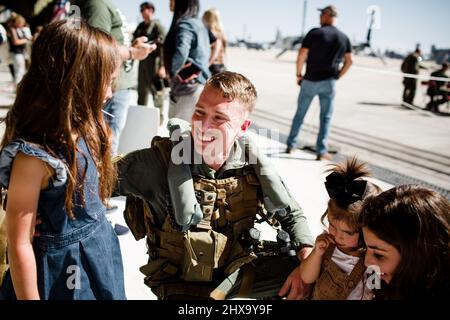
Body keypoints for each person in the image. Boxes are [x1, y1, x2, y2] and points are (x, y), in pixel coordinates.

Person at [115, 71, 315, 300]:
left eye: (219, 118)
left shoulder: (253, 166)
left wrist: (306, 260)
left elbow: (292, 215)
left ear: (243, 127)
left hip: (235, 275)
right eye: (199, 112)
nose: (203, 125)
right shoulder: (157, 162)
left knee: (320, 276)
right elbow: (94, 179)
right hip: (179, 284)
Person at [0, 20, 126, 300]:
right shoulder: (34, 158)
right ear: (78, 81)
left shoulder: (92, 128)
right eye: (105, 82)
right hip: (59, 273)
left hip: (99, 252)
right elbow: (19, 244)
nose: (109, 93)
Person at [73, 0, 156, 155]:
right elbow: (97, 48)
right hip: (109, 87)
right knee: (104, 144)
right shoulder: (96, 4)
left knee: (103, 141)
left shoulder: (95, 4)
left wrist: (132, 46)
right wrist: (133, 52)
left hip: (113, 85)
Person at [299, 158, 381, 300]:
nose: (338, 236)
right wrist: (316, 254)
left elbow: (376, 291)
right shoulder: (327, 246)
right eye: (332, 225)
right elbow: (307, 278)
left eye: (348, 232)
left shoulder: (372, 259)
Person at [285, 5, 353, 161]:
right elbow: (350, 61)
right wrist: (338, 76)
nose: (320, 16)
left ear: (328, 15)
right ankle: (321, 152)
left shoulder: (315, 33)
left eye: (322, 14)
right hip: (329, 82)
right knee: (326, 117)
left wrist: (298, 74)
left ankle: (291, 144)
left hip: (309, 80)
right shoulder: (343, 37)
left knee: (300, 114)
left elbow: (302, 54)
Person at [360, 185, 450, 300]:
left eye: (379, 255)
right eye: (365, 248)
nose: (366, 263)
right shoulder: (383, 282)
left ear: (418, 253)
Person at [164, 0, 211, 122]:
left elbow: (182, 51)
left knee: (179, 134)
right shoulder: (200, 25)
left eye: (172, 1)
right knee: (191, 134)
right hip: (200, 85)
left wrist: (172, 73)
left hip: (186, 89)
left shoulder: (185, 24)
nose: (170, 4)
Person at [133, 2, 168, 124]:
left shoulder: (157, 26)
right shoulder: (141, 26)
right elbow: (134, 41)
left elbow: (164, 47)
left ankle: (159, 120)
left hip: (155, 63)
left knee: (157, 92)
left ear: (151, 10)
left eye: (145, 9)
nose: (143, 12)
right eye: (142, 10)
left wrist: (163, 66)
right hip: (142, 63)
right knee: (141, 92)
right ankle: (140, 119)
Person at [6, 14, 32, 85]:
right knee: (19, 71)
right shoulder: (12, 29)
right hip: (16, 53)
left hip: (21, 53)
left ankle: (17, 87)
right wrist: (26, 40)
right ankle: (17, 88)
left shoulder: (20, 30)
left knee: (21, 71)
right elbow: (15, 42)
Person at [202, 8, 227, 75]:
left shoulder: (212, 33)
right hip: (221, 65)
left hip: (213, 66)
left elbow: (217, 47)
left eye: (203, 17)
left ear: (208, 19)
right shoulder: (221, 33)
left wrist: (207, 64)